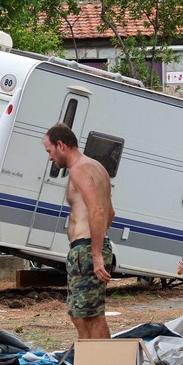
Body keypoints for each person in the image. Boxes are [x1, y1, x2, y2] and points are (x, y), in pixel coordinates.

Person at [42, 122, 115, 340]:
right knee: (80, 314)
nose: (49, 158)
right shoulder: (97, 167)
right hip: (86, 248)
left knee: (90, 316)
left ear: (61, 145)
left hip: (86, 249)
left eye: (49, 151)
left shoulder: (79, 169)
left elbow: (97, 209)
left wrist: (95, 253)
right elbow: (111, 213)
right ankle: (91, 363)